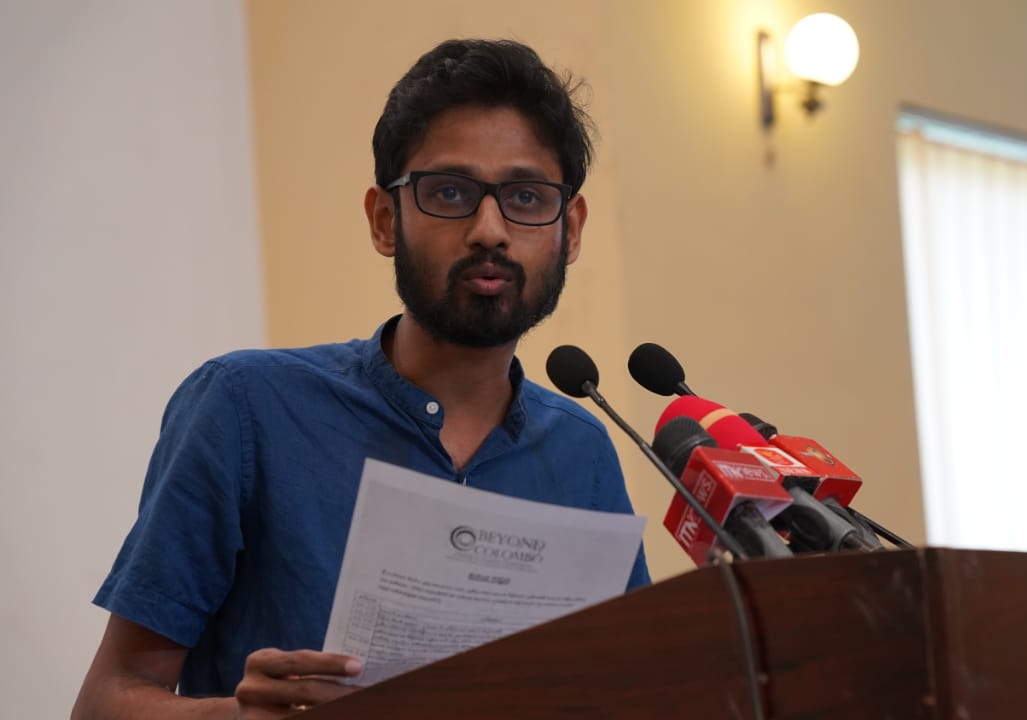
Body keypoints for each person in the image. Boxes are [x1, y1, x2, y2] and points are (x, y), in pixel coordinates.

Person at [71, 38, 650, 719]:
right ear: (384, 221)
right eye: (450, 192)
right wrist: (233, 717)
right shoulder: (246, 408)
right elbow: (106, 699)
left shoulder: (582, 451)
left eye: (525, 196)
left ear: (570, 230)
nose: (489, 230)